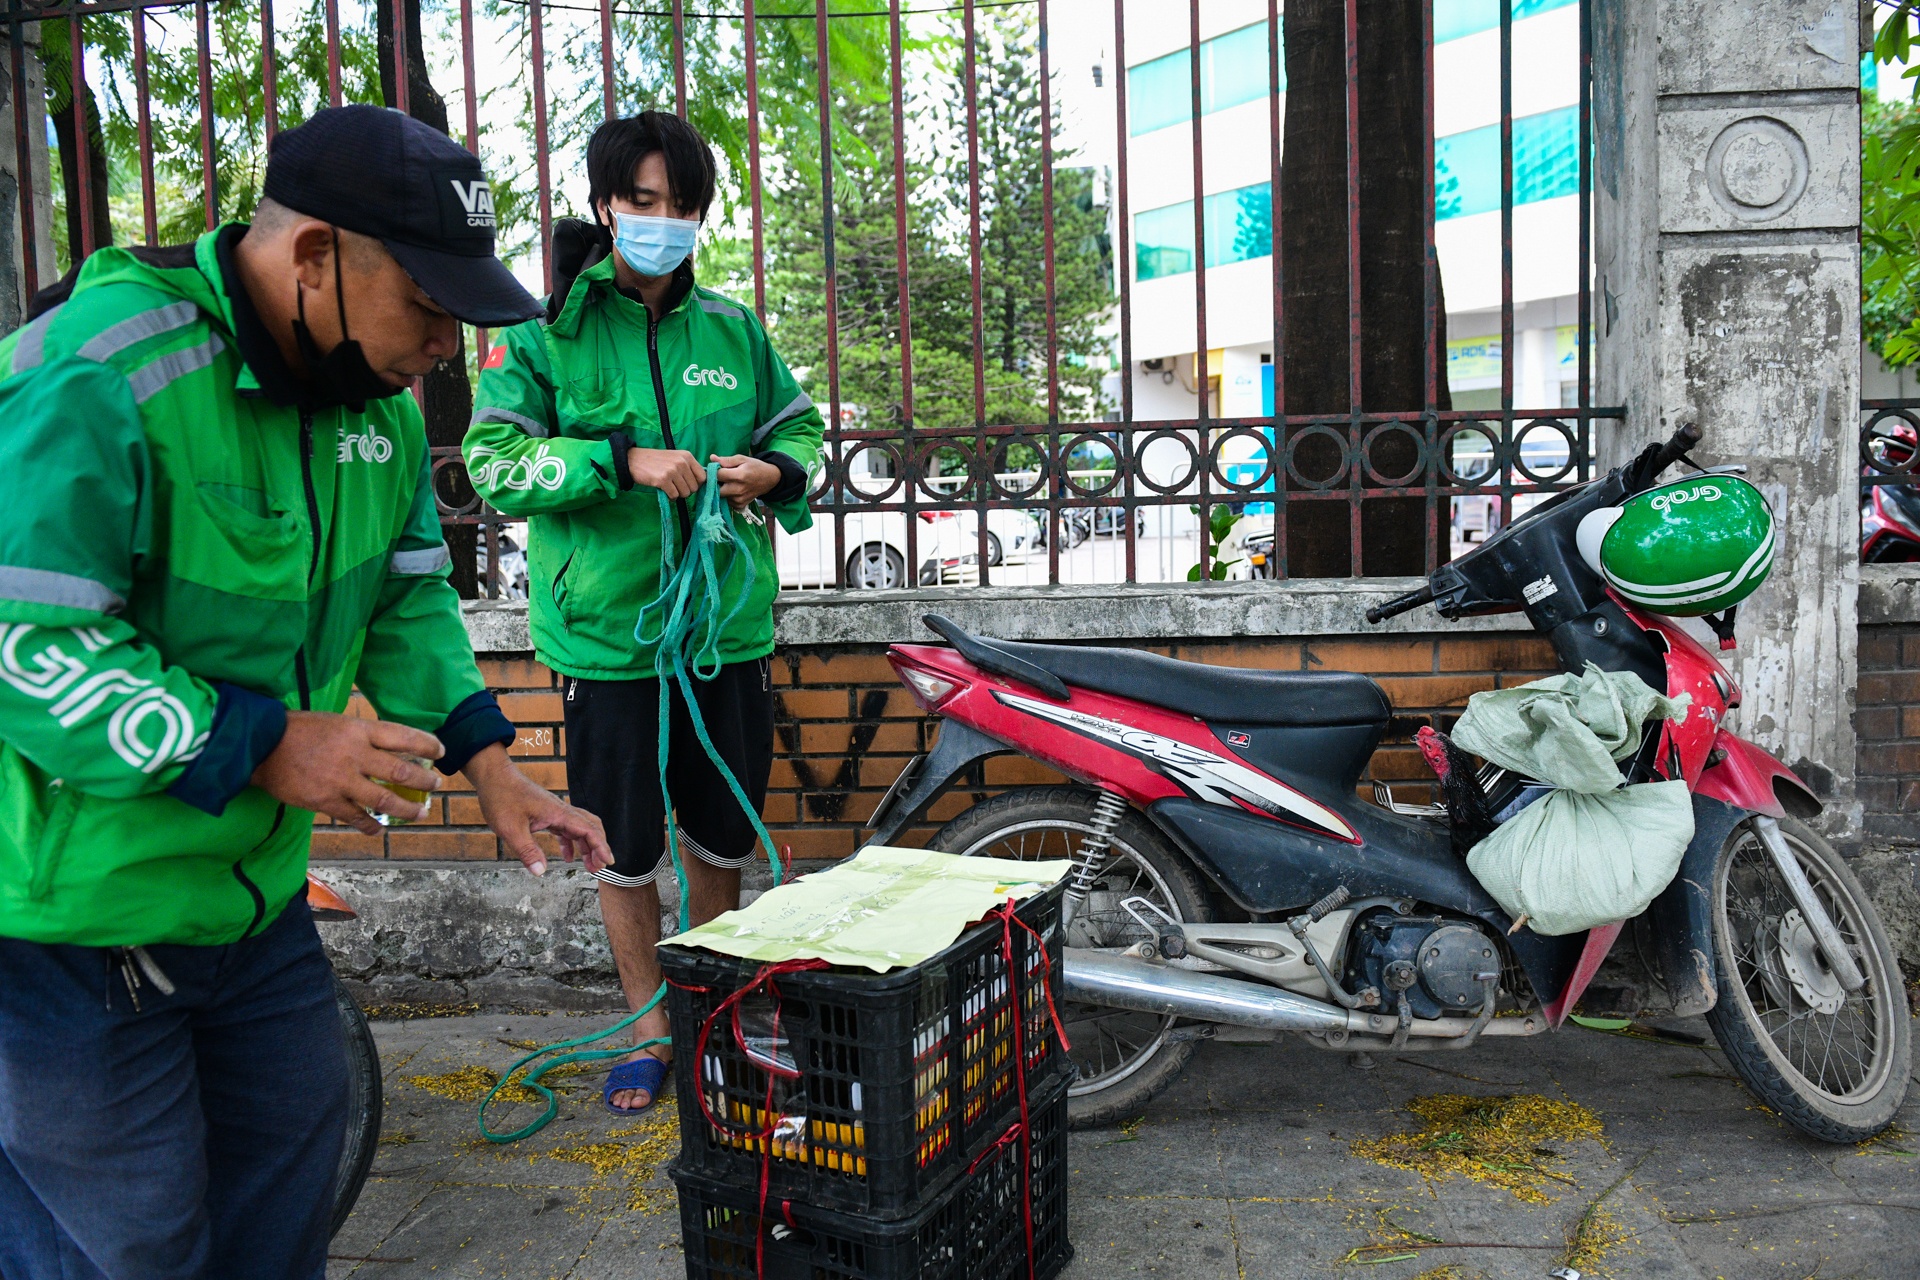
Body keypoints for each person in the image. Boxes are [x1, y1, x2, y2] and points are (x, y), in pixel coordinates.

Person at [0, 106, 610, 1280]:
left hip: (254, 912)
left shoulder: (370, 403)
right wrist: (265, 741)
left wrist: (491, 763)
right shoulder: (97, 370)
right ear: (315, 256)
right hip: (68, 933)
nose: (446, 343)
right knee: (128, 1248)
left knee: (286, 1203)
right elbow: (27, 640)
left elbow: (404, 599)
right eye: (426, 305)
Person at [465, 111, 823, 1114]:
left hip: (724, 637)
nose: (662, 221)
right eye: (643, 202)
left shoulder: (736, 331)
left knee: (721, 838)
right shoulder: (541, 338)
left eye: (681, 205)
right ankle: (644, 1026)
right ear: (606, 206)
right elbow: (493, 464)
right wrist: (614, 461)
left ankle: (717, 1013)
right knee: (624, 846)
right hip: (608, 642)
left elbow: (802, 428)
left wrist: (774, 467)